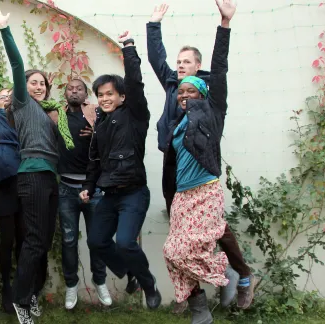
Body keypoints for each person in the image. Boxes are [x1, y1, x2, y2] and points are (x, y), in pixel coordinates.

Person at [146, 2, 255, 312]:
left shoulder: (209, 101)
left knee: (214, 229)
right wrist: (153, 25)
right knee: (178, 242)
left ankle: (236, 275)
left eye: (186, 62)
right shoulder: (174, 93)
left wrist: (224, 24)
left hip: (204, 178)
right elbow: (157, 61)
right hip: (177, 175)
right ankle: (194, 295)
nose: (180, 67)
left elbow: (220, 66)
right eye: (177, 62)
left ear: (198, 69)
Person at [0, 8, 74, 324]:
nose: (38, 86)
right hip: (33, 176)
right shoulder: (23, 105)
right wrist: (6, 29)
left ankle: (29, 296)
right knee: (34, 240)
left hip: (49, 178)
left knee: (41, 240)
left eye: (42, 83)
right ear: (26, 87)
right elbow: (17, 64)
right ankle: (22, 302)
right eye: (33, 82)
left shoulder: (50, 115)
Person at [161, 1, 237, 323]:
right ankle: (200, 309)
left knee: (181, 251)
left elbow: (219, 68)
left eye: (191, 90)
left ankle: (227, 274)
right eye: (181, 92)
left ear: (204, 94)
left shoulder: (211, 110)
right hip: (182, 195)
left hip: (204, 190)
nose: (184, 94)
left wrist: (224, 24)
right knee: (171, 254)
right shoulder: (178, 123)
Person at [79, 31, 162, 310]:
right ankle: (131, 274)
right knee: (97, 242)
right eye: (100, 95)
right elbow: (95, 162)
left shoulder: (136, 115)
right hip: (108, 194)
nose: (104, 98)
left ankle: (147, 282)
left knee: (126, 242)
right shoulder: (100, 127)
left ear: (122, 96)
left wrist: (128, 47)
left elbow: (135, 82)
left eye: (109, 94)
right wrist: (89, 187)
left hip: (133, 193)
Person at [57, 79, 112, 309]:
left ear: (86, 93)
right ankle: (71, 286)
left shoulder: (96, 113)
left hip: (94, 189)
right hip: (66, 189)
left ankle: (99, 281)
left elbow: (112, 138)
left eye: (79, 88)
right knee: (69, 240)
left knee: (97, 240)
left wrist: (96, 135)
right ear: (65, 93)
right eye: (71, 88)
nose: (75, 91)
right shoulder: (56, 115)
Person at [0, 88, 25, 314]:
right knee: (7, 238)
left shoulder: (22, 118)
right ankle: (5, 288)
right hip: (1, 181)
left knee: (23, 238)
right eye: (2, 97)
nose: (7, 100)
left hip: (23, 179)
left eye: (10, 97)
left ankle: (22, 289)